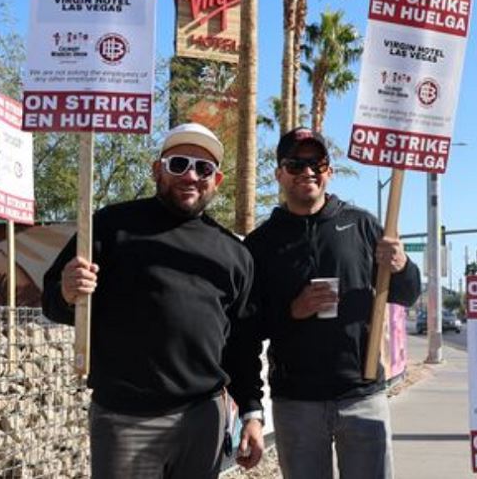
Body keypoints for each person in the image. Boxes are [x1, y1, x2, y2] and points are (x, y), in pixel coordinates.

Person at [42, 123, 262, 478]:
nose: (191, 175)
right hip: (126, 419)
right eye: (179, 164)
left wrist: (252, 412)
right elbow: (52, 302)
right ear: (157, 169)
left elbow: (242, 344)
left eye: (203, 168)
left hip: (203, 419)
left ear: (216, 181)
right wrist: (68, 292)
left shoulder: (235, 253)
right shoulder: (110, 227)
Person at [224, 127, 421, 479]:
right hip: (296, 401)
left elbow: (406, 294)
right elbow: (246, 331)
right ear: (279, 174)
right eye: (295, 164)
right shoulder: (260, 244)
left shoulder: (362, 225)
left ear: (329, 170)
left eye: (317, 162)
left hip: (363, 395)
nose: (307, 171)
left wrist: (402, 265)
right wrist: (292, 311)